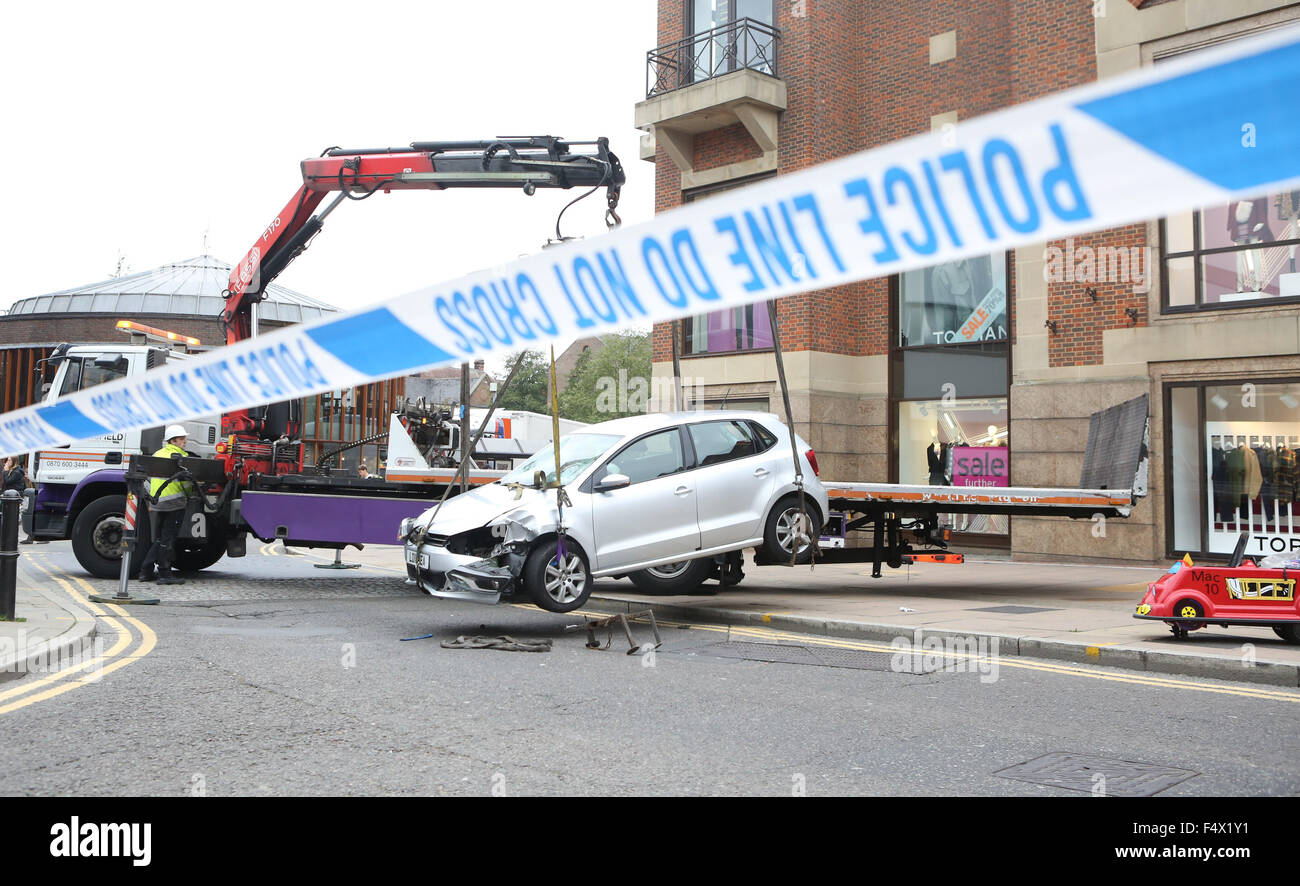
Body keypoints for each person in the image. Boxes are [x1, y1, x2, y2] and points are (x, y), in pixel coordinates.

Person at [137, 425, 195, 585]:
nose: (185, 441)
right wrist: (190, 496)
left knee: (159, 538)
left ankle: (145, 571)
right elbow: (186, 484)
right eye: (182, 439)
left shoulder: (158, 454)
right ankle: (164, 573)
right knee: (167, 539)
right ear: (173, 440)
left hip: (158, 502)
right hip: (174, 502)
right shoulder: (179, 457)